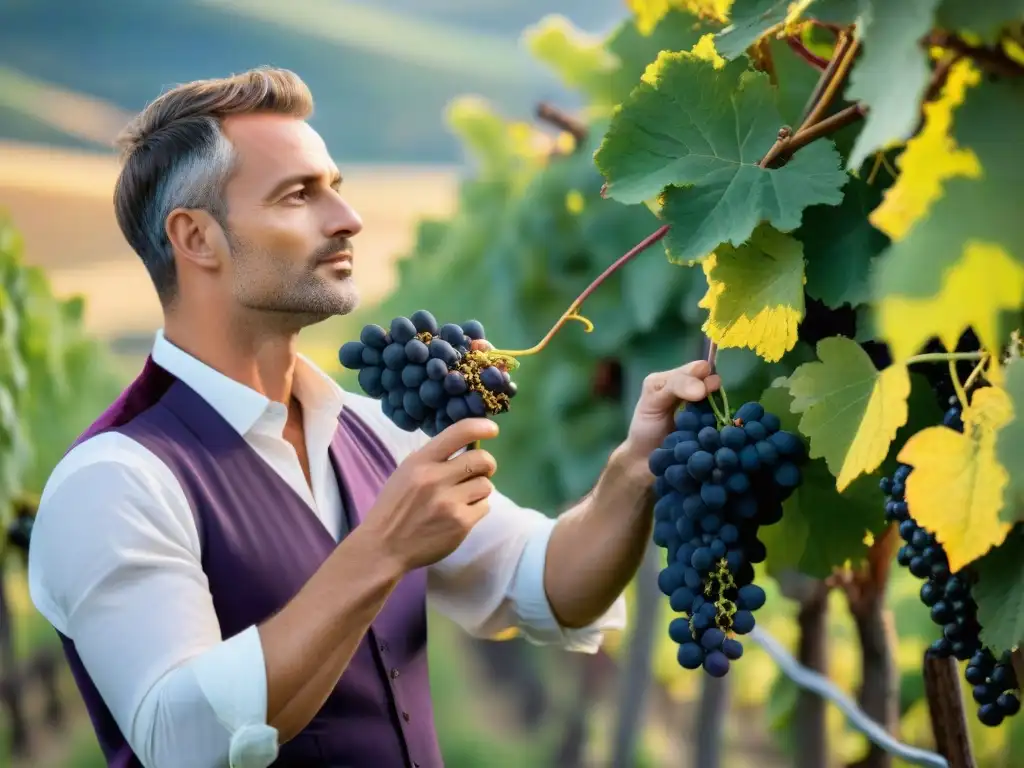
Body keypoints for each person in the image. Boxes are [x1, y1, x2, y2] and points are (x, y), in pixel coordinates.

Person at [26, 67, 721, 768]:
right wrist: (383, 549)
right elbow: (183, 740)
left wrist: (634, 470)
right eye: (300, 195)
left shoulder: (372, 431)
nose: (345, 219)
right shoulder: (115, 481)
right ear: (197, 238)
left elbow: (547, 586)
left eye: (336, 187)